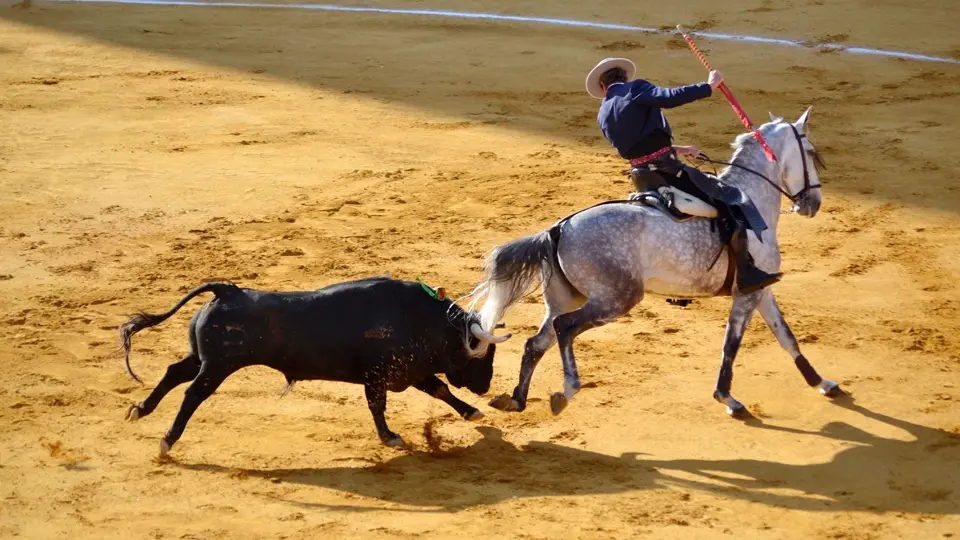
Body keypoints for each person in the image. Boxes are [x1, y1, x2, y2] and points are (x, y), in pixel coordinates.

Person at [585, 57, 781, 294]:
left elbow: (637, 147)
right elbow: (669, 97)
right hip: (668, 172)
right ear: (624, 77)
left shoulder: (603, 112)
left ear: (604, 87)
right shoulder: (635, 89)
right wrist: (708, 86)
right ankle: (747, 271)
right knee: (731, 199)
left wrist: (677, 150)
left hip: (642, 178)